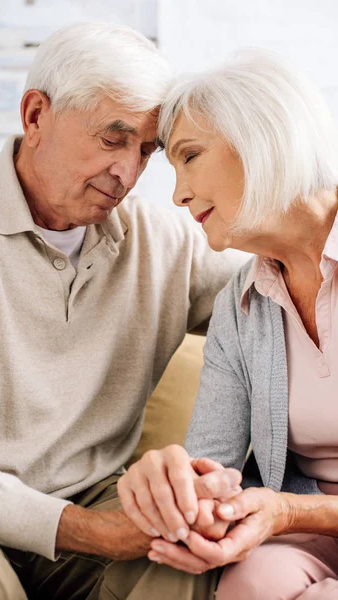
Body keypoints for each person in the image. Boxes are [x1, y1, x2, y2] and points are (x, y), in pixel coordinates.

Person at [0, 22, 244, 600]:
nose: (128, 174)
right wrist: (91, 531)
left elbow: (279, 300)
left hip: (96, 495)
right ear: (35, 117)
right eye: (112, 139)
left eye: (146, 151)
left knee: (188, 559)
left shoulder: (162, 242)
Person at [117, 49, 338, 599]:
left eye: (189, 156)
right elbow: (212, 463)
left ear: (262, 138)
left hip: (298, 518)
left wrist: (285, 509)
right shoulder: (240, 302)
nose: (177, 195)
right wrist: (179, 490)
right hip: (307, 531)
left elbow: (281, 509)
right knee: (252, 582)